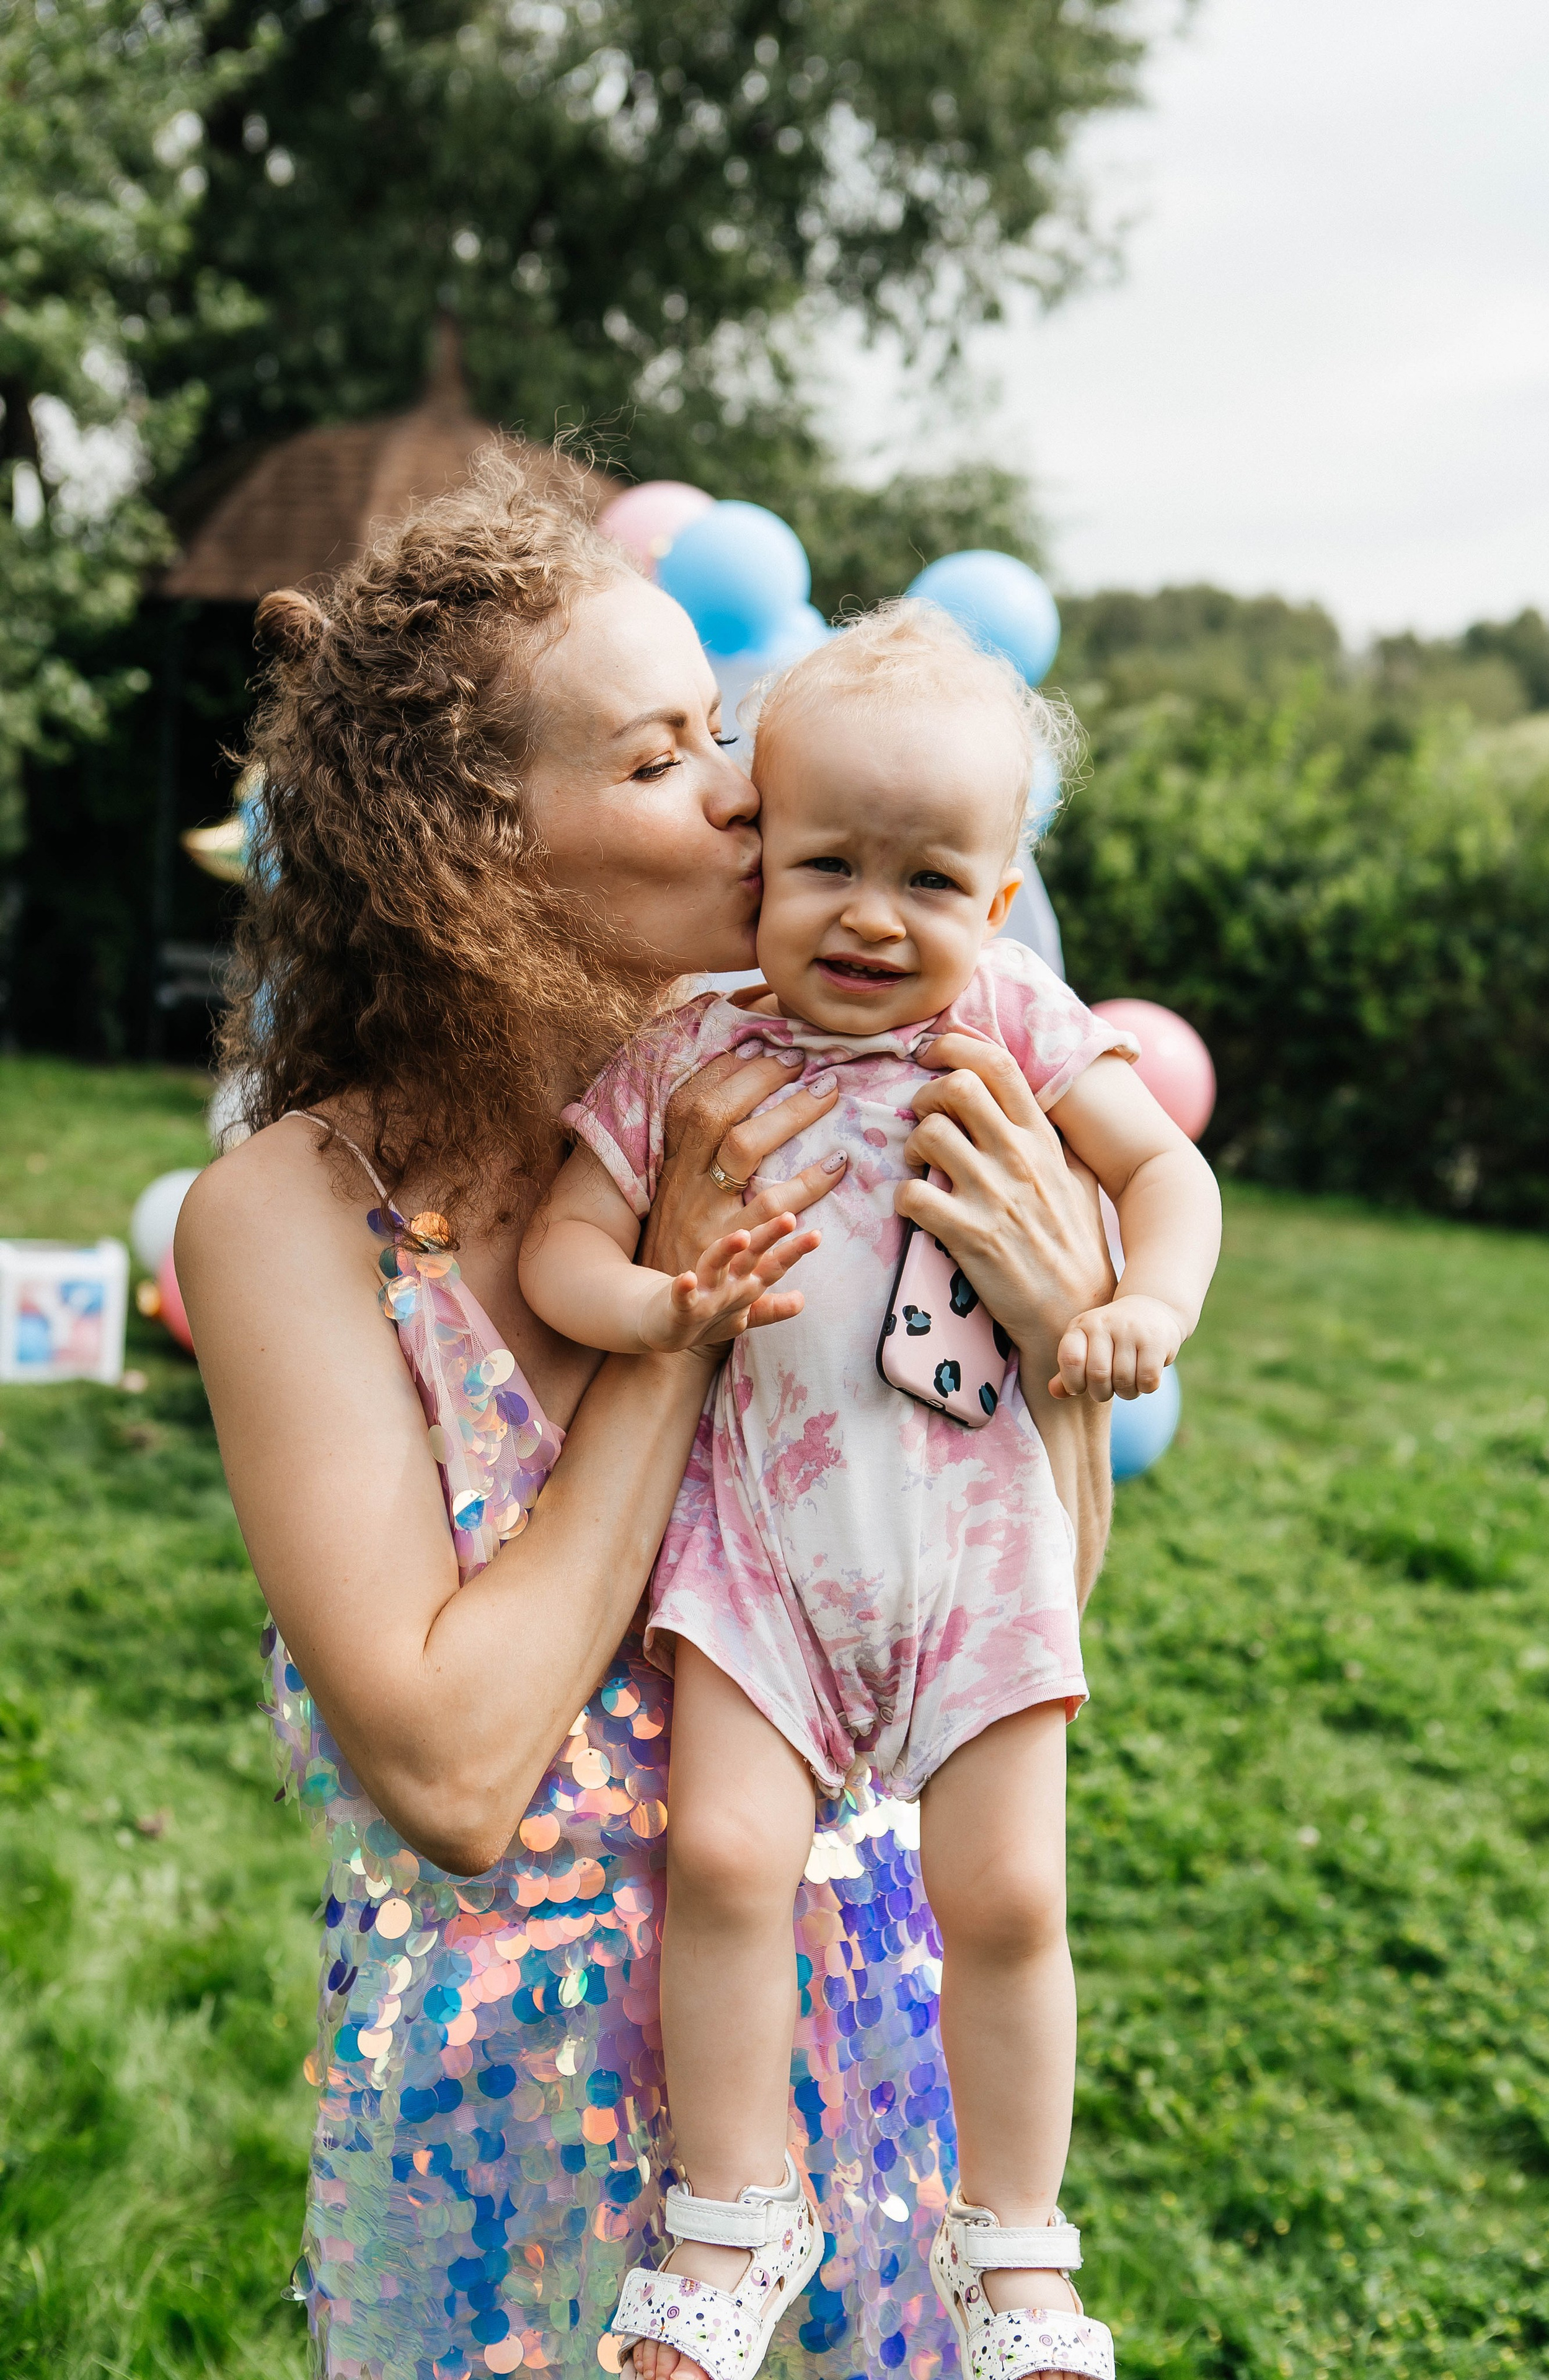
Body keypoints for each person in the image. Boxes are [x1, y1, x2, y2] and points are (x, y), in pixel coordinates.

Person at [174, 456, 1120, 2380]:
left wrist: (1055, 1339)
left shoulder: (837, 1080)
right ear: (471, 851)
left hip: (855, 2058)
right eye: (665, 757)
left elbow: (1011, 1610)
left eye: (731, 732)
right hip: (502, 2138)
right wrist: (673, 1334)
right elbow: (456, 1769)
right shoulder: (290, 1215)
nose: (752, 794)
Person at [520, 604, 1221, 2380]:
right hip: (763, 1549)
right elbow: (558, 1254)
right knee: (732, 1859)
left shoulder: (1014, 1021)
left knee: (1007, 1902)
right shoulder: (693, 1050)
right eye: (828, 861)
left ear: (997, 905)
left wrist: (1146, 1302)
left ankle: (1016, 2253)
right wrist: (659, 1305)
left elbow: (1169, 1175)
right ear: (759, 855)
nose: (870, 915)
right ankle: (733, 2214)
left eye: (929, 880)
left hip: (978, 1554)